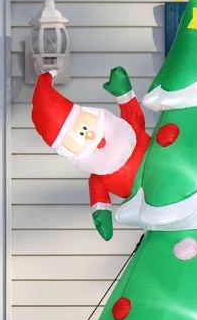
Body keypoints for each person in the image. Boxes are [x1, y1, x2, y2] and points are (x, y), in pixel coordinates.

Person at [30, 67, 150, 240]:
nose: (89, 135)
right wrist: (103, 217)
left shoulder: (129, 131)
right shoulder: (99, 178)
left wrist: (123, 91)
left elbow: (131, 112)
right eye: (76, 139)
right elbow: (100, 202)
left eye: (85, 126)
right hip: (148, 202)